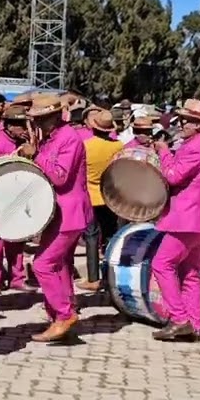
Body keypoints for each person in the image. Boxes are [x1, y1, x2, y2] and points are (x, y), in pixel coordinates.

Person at [19, 93, 91, 342]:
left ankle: (64, 314)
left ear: (55, 116)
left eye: (42, 119)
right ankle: (59, 316)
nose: (37, 124)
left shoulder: (68, 138)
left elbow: (60, 176)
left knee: (42, 264)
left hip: (69, 213)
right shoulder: (52, 138)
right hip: (57, 213)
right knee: (57, 265)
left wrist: (34, 155)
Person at [149, 99, 200, 342]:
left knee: (162, 264)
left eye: (186, 121)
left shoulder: (194, 148)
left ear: (198, 125)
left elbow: (172, 176)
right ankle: (196, 324)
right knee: (189, 271)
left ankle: (179, 319)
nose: (181, 124)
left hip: (186, 218)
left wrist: (163, 152)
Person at [0, 104, 31, 290]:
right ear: (9, 126)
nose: (24, 129)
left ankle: (17, 277)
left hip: (18, 197)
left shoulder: (23, 142)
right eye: (20, 125)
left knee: (17, 241)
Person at [80, 109, 123, 292]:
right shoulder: (119, 146)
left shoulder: (86, 146)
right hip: (110, 196)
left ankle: (93, 277)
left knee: (91, 237)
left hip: (91, 196)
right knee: (111, 237)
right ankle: (110, 276)